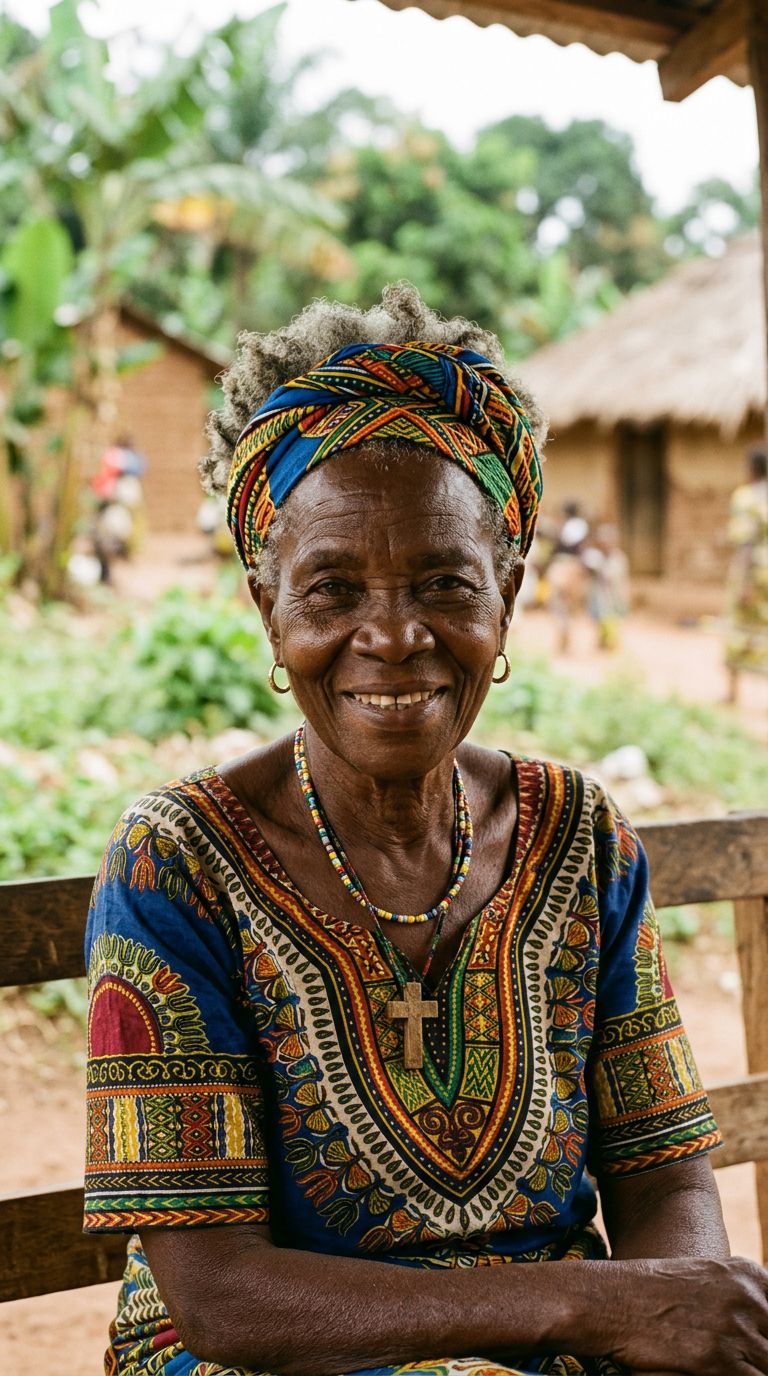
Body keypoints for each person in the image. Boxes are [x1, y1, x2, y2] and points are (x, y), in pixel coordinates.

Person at [84, 285, 766, 1376]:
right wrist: (587, 1307)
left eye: (445, 580)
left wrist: (661, 1321)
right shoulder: (179, 862)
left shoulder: (581, 836)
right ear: (270, 610)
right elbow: (215, 1294)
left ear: (508, 590)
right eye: (332, 587)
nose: (394, 634)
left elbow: (666, 1179)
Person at [725, 447, 768, 703]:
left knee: (738, 628)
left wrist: (743, 582)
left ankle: (733, 693)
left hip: (753, 572)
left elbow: (746, 542)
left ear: (751, 468)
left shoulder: (746, 499)